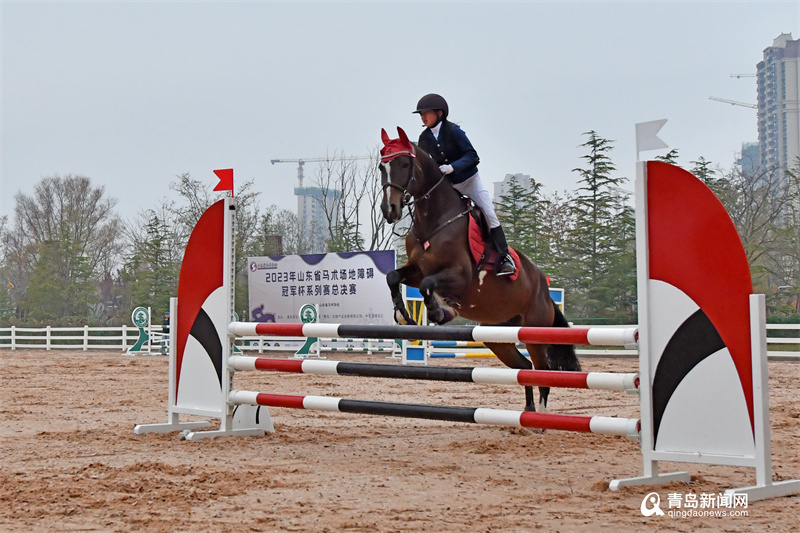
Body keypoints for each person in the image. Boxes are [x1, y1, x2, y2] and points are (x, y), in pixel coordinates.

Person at [413, 93, 516, 276]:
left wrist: (453, 167)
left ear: (439, 113)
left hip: (469, 182)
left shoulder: (454, 131)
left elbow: (473, 156)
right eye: (421, 114)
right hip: (447, 187)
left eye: (426, 113)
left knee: (489, 214)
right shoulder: (424, 138)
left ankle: (505, 257)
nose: (423, 117)